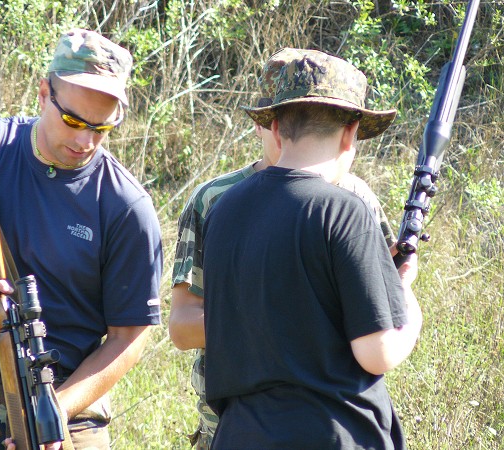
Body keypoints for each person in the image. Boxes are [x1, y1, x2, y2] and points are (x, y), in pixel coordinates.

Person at [0, 29, 162, 449]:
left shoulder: (126, 205)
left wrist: (57, 411)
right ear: (44, 94)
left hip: (63, 405)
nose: (86, 141)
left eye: (102, 128)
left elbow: (129, 337)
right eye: (74, 121)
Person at [169, 48, 398, 449]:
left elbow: (378, 311)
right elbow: (182, 326)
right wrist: (284, 321)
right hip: (230, 422)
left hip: (333, 413)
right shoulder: (216, 200)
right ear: (270, 126)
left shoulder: (357, 199)